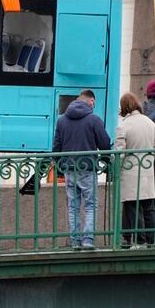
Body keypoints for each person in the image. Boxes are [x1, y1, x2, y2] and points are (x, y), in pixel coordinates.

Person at [53, 90, 112, 250]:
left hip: (69, 168)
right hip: (87, 167)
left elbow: (56, 147)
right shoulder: (94, 119)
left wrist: (60, 166)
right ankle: (88, 240)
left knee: (73, 205)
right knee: (91, 204)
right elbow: (105, 144)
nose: (94, 105)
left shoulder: (62, 120)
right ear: (90, 100)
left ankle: (75, 242)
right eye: (93, 102)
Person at [114, 93, 155, 249]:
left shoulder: (123, 125)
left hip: (130, 172)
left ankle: (140, 241)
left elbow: (119, 153)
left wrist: (116, 168)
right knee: (149, 207)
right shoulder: (149, 122)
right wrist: (148, 159)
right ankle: (153, 240)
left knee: (133, 207)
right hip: (147, 171)